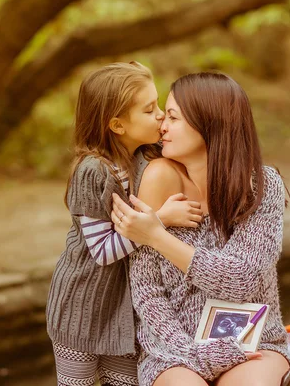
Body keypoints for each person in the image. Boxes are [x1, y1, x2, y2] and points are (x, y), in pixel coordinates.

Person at [111, 72, 290, 386]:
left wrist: (156, 236)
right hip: (173, 351)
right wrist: (193, 354)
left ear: (209, 123)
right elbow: (148, 295)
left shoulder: (261, 185)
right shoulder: (158, 179)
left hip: (252, 341)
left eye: (173, 117)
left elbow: (243, 279)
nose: (162, 126)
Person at [46, 62, 201, 386]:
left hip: (122, 313)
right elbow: (102, 251)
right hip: (80, 311)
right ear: (117, 125)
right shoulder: (93, 172)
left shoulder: (145, 157)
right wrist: (161, 220)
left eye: (159, 106)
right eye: (149, 110)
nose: (160, 115)